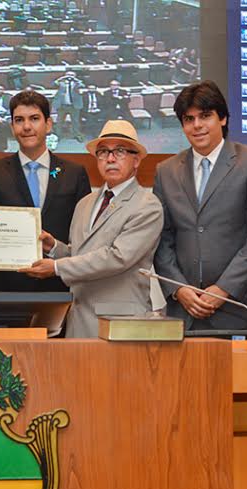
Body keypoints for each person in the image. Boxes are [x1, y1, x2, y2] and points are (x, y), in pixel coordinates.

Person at [19, 120, 163, 338]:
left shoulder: (147, 205)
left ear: (136, 160)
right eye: (103, 152)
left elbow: (117, 257)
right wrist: (54, 248)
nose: (111, 158)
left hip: (119, 325)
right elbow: (81, 254)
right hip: (77, 321)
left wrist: (56, 267)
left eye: (120, 151)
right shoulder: (85, 203)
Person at [153, 81, 247, 334]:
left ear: (223, 118)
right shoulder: (166, 171)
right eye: (189, 119)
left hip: (238, 306)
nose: (197, 125)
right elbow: (162, 238)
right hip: (184, 311)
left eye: (205, 116)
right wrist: (179, 289)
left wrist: (224, 289)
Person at [0, 90, 90, 293]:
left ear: (48, 124)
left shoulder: (75, 173)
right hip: (4, 287)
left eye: (34, 119)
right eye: (19, 120)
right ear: (12, 127)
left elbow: (84, 236)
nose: (26, 127)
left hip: (57, 286)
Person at [51, 70, 85, 141]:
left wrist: (75, 79)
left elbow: (83, 85)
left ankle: (76, 135)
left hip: (74, 106)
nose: (70, 76)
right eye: (68, 74)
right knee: (59, 121)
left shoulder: (77, 83)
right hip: (62, 105)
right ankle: (58, 135)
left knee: (75, 121)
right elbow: (53, 84)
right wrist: (61, 78)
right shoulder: (61, 83)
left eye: (72, 75)